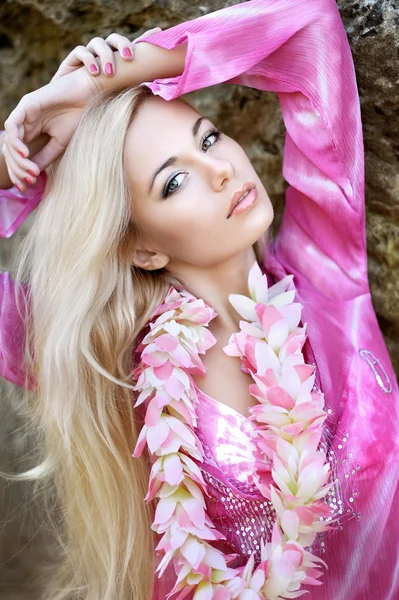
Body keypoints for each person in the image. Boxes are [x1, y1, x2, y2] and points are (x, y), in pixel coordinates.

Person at [0, 0, 398, 599]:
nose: (218, 169)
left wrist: (109, 77)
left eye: (208, 136)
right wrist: (12, 174)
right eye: (174, 181)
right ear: (141, 249)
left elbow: (309, 25)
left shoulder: (328, 277)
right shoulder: (112, 372)